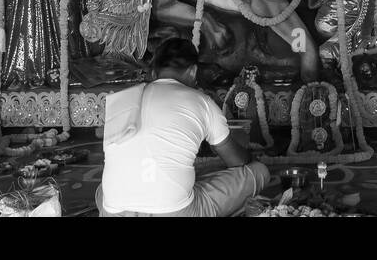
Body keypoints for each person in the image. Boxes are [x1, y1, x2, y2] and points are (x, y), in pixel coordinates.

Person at [95, 38, 269, 217]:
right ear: (193, 72)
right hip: (176, 212)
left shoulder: (123, 99)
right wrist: (248, 154)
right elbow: (237, 162)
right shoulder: (201, 101)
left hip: (115, 212)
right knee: (259, 172)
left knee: (103, 189)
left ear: (154, 73)